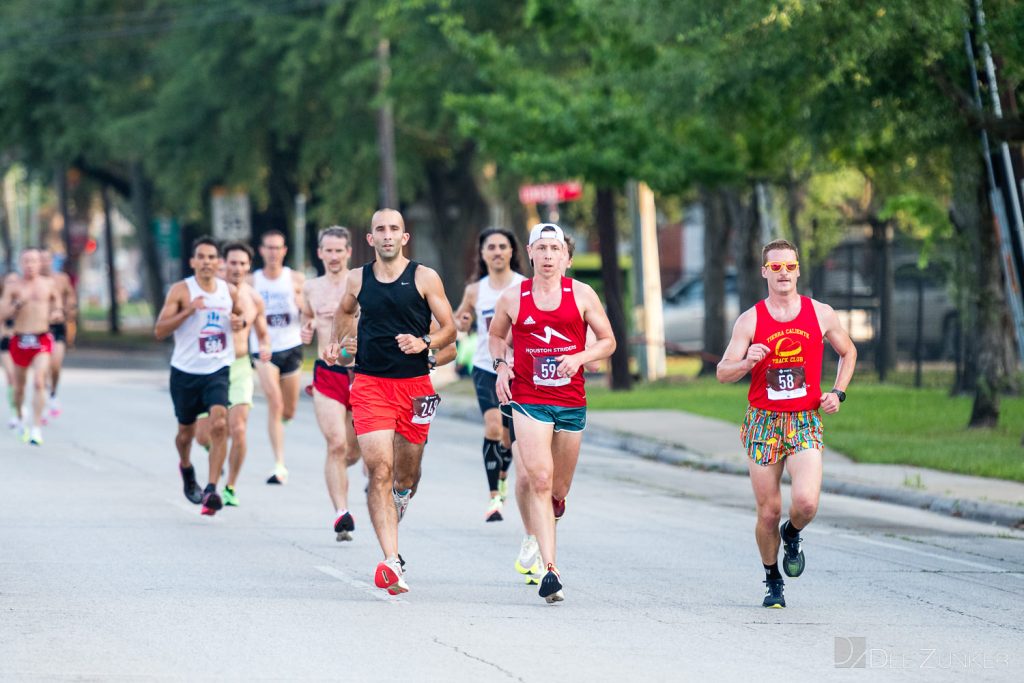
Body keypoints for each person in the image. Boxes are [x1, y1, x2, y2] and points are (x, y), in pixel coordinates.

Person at [716, 238, 856, 609]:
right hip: (763, 421)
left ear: (798, 270)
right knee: (769, 510)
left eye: (789, 266)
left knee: (806, 503)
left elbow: (848, 351)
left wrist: (837, 392)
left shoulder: (820, 313)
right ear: (765, 272)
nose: (783, 273)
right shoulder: (751, 320)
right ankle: (772, 578)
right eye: (775, 267)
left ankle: (792, 535)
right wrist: (747, 361)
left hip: (804, 419)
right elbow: (722, 372)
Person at [323, 208, 456, 595]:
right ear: (369, 239)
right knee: (377, 469)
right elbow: (345, 312)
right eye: (379, 229)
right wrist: (340, 344)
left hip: (415, 387)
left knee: (406, 475)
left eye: (393, 229)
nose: (386, 235)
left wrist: (424, 343)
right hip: (370, 384)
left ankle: (401, 497)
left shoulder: (424, 277)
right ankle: (391, 561)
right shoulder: (357, 279)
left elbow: (449, 329)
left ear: (404, 237)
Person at [489, 223, 616, 603]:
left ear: (565, 256)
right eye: (541, 248)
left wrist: (579, 356)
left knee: (558, 490)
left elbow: (608, 341)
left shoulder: (582, 295)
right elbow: (495, 335)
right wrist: (501, 365)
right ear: (529, 252)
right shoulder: (513, 298)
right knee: (540, 479)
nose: (547, 256)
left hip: (571, 399)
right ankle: (550, 570)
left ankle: (545, 522)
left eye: (554, 248)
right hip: (529, 397)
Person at [154, 237, 245, 516]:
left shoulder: (229, 291)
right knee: (185, 435)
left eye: (211, 257)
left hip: (217, 368)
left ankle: (211, 488)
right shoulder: (181, 291)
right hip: (185, 372)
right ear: (193, 262)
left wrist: (239, 322)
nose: (206, 262)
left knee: (220, 424)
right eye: (201, 257)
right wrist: (189, 310)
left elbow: (240, 318)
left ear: (218, 263)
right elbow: (160, 331)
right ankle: (186, 467)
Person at [453, 227, 526, 523]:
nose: (497, 252)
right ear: (482, 254)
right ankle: (494, 496)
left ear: (512, 252)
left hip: (519, 368)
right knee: (493, 426)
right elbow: (459, 320)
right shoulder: (475, 290)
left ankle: (505, 476)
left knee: (510, 437)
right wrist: (463, 319)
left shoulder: (524, 286)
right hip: (486, 366)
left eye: (502, 246)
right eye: (491, 247)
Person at [194, 243, 271, 506]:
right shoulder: (211, 291)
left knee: (238, 428)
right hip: (210, 366)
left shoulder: (254, 298)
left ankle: (230, 487)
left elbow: (262, 333)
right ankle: (216, 450)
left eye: (242, 263)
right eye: (232, 263)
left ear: (249, 266)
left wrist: (265, 346)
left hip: (239, 368)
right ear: (222, 264)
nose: (237, 268)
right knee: (204, 435)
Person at [300, 226, 363, 542]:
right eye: (329, 250)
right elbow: (306, 319)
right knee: (336, 443)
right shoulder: (310, 288)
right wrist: (307, 328)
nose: (335, 256)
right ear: (320, 252)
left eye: (340, 250)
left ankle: (349, 473)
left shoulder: (362, 282)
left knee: (353, 452)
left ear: (348, 252)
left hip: (362, 373)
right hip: (327, 374)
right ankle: (341, 513)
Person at [251, 230, 306, 485]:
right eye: (269, 248)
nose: (273, 253)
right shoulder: (253, 282)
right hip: (264, 348)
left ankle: (282, 424)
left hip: (291, 346)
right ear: (261, 250)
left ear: (284, 251)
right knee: (274, 401)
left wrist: (303, 307)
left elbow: (311, 313)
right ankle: (279, 465)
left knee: (289, 409)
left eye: (278, 248)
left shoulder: (295, 279)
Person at [0, 249, 60, 445]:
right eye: (26, 261)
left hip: (41, 338)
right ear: (20, 263)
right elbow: (2, 314)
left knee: (39, 381)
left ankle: (36, 428)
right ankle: (18, 415)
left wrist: (56, 313)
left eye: (34, 261)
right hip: (20, 339)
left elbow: (57, 304)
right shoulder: (13, 287)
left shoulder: (48, 284)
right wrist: (16, 304)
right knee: (19, 387)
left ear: (39, 263)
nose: (30, 265)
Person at [40, 249, 77, 419]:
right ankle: (42, 398)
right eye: (41, 260)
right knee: (43, 367)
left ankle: (53, 392)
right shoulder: (32, 282)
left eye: (47, 259)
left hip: (57, 327)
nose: (44, 263)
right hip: (39, 328)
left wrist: (66, 310)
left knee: (55, 365)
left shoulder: (61, 279)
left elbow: (70, 296)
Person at [1, 273, 18, 429]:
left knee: (20, 379)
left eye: (15, 281)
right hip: (6, 344)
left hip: (21, 343)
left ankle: (20, 405)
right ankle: (15, 411)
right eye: (9, 282)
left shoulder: (25, 302)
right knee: (11, 376)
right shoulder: (2, 303)